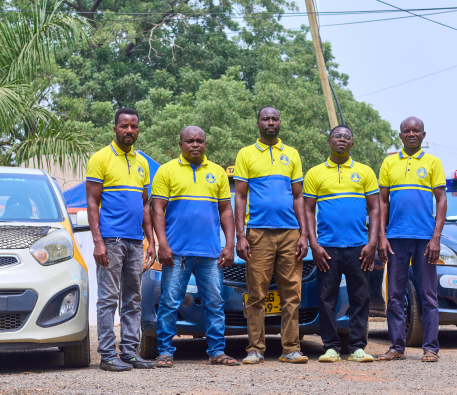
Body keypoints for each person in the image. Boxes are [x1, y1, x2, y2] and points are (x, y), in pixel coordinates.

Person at [151, 126, 238, 367]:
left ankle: (217, 352)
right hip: (176, 253)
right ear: (180, 144)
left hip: (210, 253)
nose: (195, 145)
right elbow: (157, 209)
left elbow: (226, 210)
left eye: (200, 140)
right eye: (190, 141)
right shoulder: (166, 171)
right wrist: (162, 244)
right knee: (169, 303)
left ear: (205, 144)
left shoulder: (218, 172)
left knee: (215, 303)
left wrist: (229, 245)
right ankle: (165, 353)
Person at [234, 106, 309, 364]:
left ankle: (290, 349)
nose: (270, 122)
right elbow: (240, 196)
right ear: (257, 123)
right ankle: (255, 349)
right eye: (265, 118)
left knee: (291, 294)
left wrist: (304, 234)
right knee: (256, 294)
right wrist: (240, 236)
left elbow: (298, 196)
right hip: (258, 233)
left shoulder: (292, 154)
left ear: (280, 123)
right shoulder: (246, 154)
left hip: (290, 232)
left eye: (275, 118)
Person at [86, 107, 157, 372]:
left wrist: (150, 241)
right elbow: (92, 202)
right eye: (124, 126)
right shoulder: (100, 158)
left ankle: (129, 352)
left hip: (135, 242)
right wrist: (98, 242)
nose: (129, 130)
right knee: (108, 298)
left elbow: (145, 205)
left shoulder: (141, 162)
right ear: (115, 128)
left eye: (134, 126)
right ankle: (107, 355)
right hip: (111, 240)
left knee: (133, 298)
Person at [303, 125, 380, 363]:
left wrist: (372, 243)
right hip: (327, 247)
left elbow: (375, 208)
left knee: (360, 297)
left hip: (359, 246)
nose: (342, 139)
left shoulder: (365, 172)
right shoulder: (315, 173)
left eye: (347, 137)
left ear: (352, 144)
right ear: (328, 141)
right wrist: (313, 244)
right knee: (326, 298)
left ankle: (357, 347)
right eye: (337, 136)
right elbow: (307, 209)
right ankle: (331, 347)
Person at [376, 117, 447, 363]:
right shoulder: (388, 163)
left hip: (425, 239)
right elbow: (382, 202)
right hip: (395, 238)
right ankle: (397, 347)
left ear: (424, 135)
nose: (412, 134)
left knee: (428, 294)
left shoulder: (432, 162)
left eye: (416, 130)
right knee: (394, 295)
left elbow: (441, 200)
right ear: (400, 135)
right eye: (407, 130)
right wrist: (381, 236)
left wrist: (436, 237)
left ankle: (430, 348)